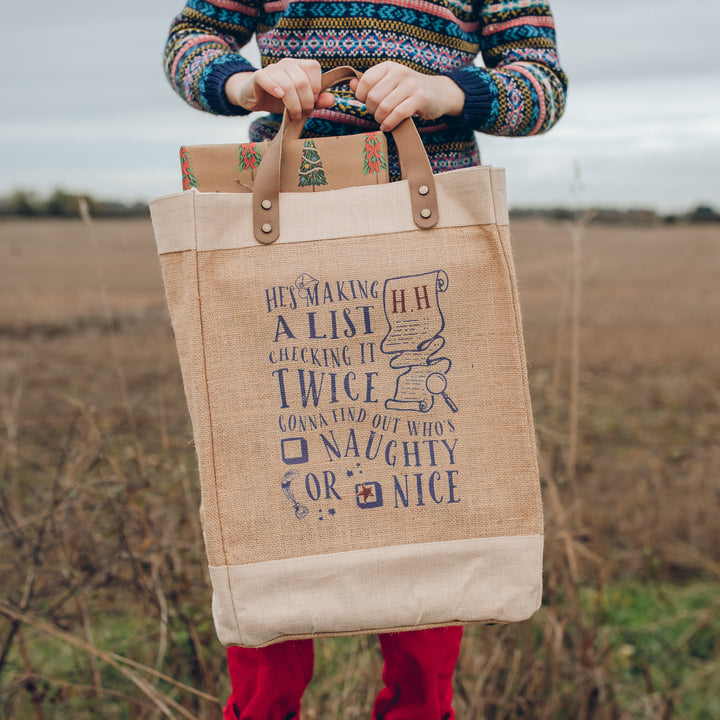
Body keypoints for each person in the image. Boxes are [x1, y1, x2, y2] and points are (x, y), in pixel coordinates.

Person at [164, 1, 566, 717]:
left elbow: (541, 86)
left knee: (429, 478)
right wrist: (245, 85)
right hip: (279, 233)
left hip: (427, 244)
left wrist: (446, 93)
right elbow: (191, 40)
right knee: (277, 472)